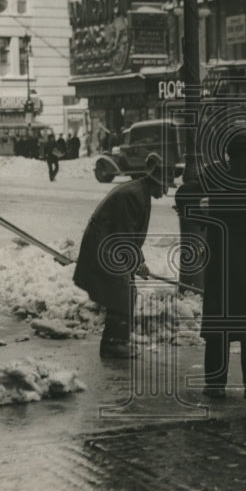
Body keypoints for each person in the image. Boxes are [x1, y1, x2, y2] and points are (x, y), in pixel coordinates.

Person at [178, 129, 246, 398]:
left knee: (219, 324)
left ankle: (215, 385)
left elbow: (183, 196)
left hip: (220, 261)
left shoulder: (215, 176)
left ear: (229, 152)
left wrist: (204, 219)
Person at [73, 152, 170, 359]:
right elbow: (124, 233)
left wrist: (138, 261)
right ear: (157, 183)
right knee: (121, 290)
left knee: (127, 289)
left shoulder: (141, 192)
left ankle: (118, 340)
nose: (167, 190)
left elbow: (130, 234)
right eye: (166, 185)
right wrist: (137, 262)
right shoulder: (133, 195)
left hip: (111, 243)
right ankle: (113, 345)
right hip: (103, 244)